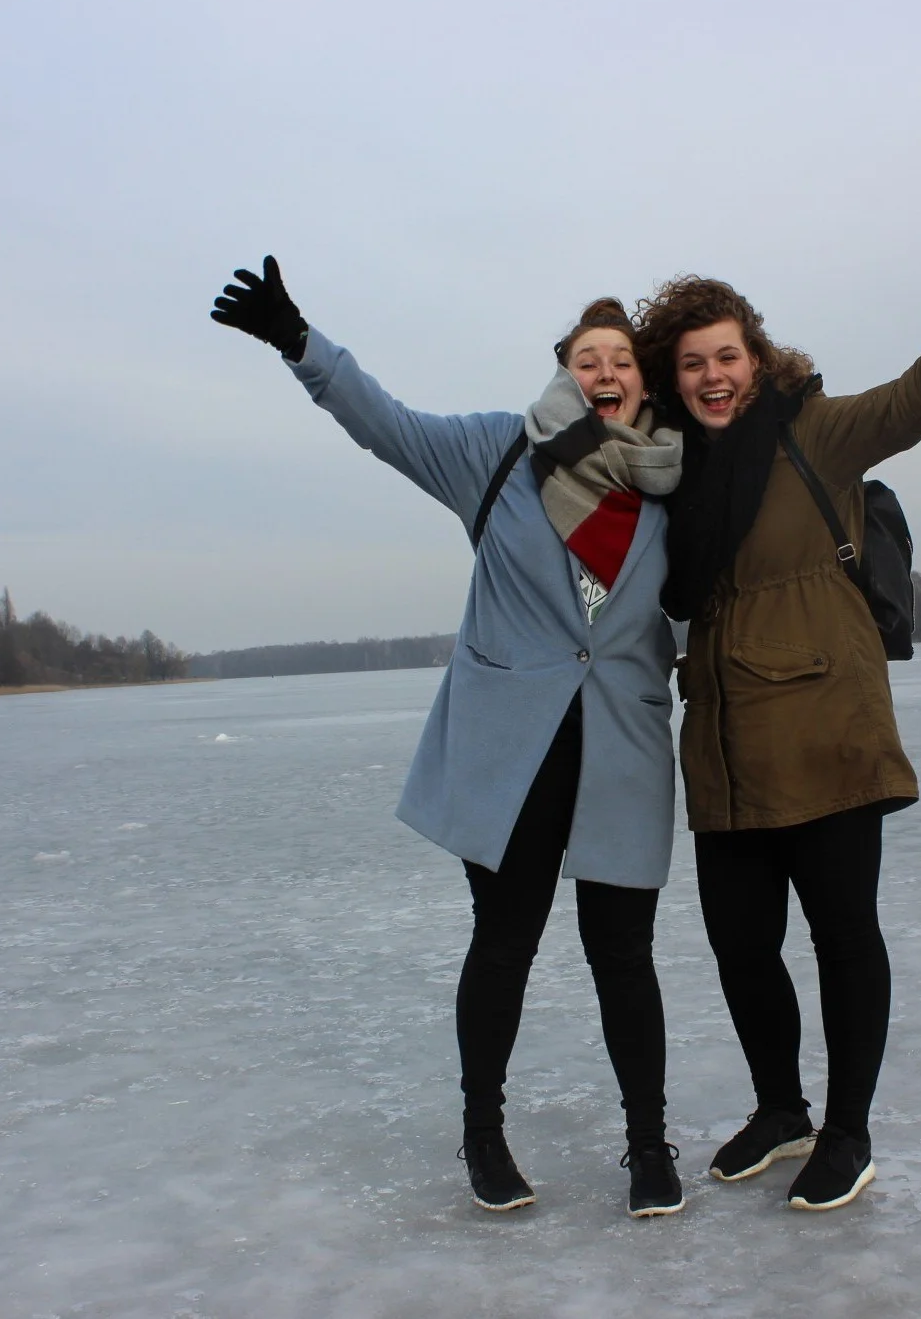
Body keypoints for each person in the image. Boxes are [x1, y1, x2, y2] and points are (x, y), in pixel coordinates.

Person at [210, 258, 687, 1218]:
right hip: (508, 748)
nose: (605, 369)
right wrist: (301, 342)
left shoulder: (680, 483)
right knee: (504, 941)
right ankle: (483, 1132)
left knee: (622, 953)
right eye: (587, 356)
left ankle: (647, 1143)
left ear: (643, 380)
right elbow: (386, 425)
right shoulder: (499, 454)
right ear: (566, 370)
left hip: (622, 751)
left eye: (621, 358)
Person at [634, 210, 921, 1211]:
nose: (711, 374)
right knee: (739, 941)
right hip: (723, 738)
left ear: (756, 359)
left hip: (827, 726)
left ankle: (847, 1131)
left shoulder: (816, 429)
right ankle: (783, 1109)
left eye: (726, 354)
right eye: (692, 362)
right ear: (672, 376)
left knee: (842, 932)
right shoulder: (671, 470)